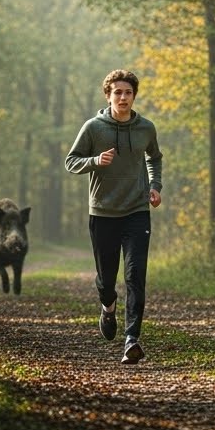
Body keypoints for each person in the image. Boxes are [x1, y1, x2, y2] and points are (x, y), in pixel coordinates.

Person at [65, 69, 163, 365]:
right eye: (117, 92)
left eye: (128, 93)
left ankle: (132, 339)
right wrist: (95, 160)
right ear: (108, 95)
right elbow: (71, 161)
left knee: (135, 277)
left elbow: (154, 157)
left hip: (137, 212)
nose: (123, 97)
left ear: (134, 96)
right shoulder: (94, 127)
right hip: (103, 213)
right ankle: (108, 308)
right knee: (107, 280)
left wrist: (155, 186)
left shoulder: (146, 127)